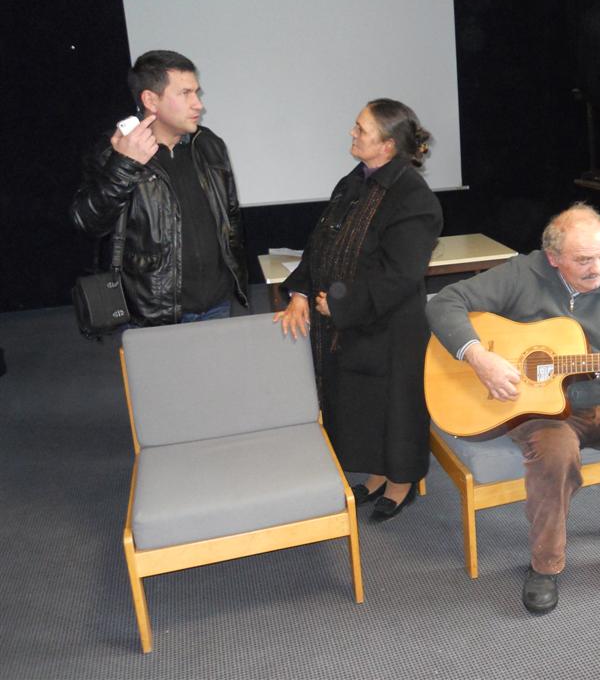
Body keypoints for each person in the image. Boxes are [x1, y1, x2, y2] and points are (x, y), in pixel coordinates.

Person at [426, 202, 600, 614]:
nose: (598, 268)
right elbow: (443, 303)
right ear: (553, 258)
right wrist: (480, 358)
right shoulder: (522, 274)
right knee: (555, 452)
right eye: (584, 260)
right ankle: (545, 565)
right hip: (539, 409)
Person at [275, 99, 442, 522]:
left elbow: (400, 275)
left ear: (387, 145)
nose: (352, 133)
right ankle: (377, 474)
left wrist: (342, 304)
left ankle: (401, 484)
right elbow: (319, 243)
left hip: (391, 327)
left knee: (395, 408)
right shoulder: (354, 181)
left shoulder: (413, 198)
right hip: (350, 323)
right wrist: (300, 292)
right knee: (363, 406)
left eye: (361, 129)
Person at [70, 50, 248, 325]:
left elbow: (230, 216)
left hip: (217, 303)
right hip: (155, 312)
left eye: (197, 93)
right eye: (185, 93)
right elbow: (87, 222)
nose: (198, 105)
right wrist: (125, 164)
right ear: (150, 100)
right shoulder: (113, 151)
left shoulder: (210, 145)